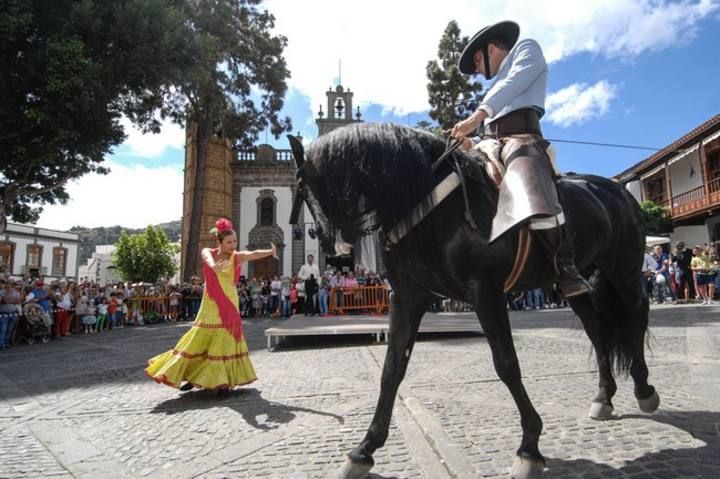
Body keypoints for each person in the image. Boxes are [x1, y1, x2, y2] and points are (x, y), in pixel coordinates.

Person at [451, 20, 589, 297]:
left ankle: (565, 264)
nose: (477, 70)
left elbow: (516, 82)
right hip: (489, 142)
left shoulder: (526, 49)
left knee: (529, 180)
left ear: (492, 48)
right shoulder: (494, 87)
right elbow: (492, 122)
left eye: (477, 60)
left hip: (522, 136)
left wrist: (477, 116)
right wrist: (470, 142)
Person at [146, 218, 277, 397]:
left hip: (230, 302)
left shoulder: (236, 257)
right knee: (201, 337)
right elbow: (206, 257)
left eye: (235, 241)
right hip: (211, 302)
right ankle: (194, 377)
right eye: (229, 242)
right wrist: (214, 266)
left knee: (225, 339)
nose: (233, 245)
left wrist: (270, 251)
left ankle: (222, 384)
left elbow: (253, 253)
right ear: (220, 242)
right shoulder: (209, 252)